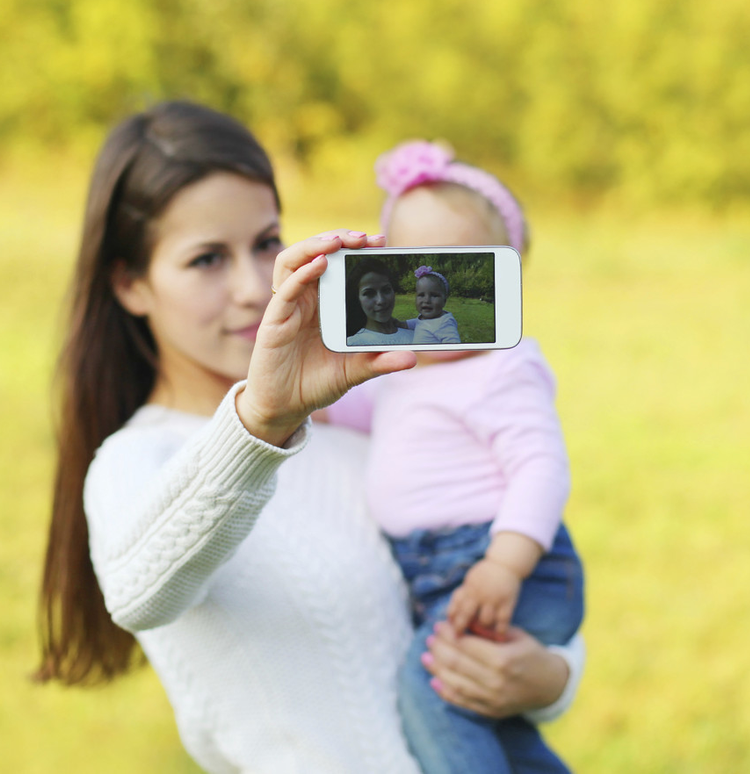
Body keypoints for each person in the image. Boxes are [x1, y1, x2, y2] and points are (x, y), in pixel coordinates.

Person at [34, 102, 584, 774]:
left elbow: (481, 600)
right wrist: (259, 421)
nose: (252, 288)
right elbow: (138, 592)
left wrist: (551, 679)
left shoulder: (358, 424)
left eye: (267, 243)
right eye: (206, 259)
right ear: (131, 283)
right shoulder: (137, 461)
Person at [324, 140, 585, 774]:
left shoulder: (503, 368)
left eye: (457, 272)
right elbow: (358, 411)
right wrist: (319, 393)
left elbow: (541, 467)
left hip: (504, 567)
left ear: (501, 281)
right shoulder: (404, 365)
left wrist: (503, 566)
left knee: (434, 690)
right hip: (441, 572)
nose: (425, 292)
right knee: (490, 723)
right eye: (404, 269)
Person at [346, 257, 416, 345]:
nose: (381, 301)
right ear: (357, 298)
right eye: (369, 293)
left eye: (386, 290)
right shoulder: (352, 344)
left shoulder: (418, 337)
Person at [407, 264, 461, 344]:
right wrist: (402, 324)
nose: (427, 300)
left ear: (444, 301)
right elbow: (417, 323)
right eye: (421, 295)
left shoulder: (444, 323)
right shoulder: (423, 318)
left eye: (434, 295)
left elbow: (454, 347)